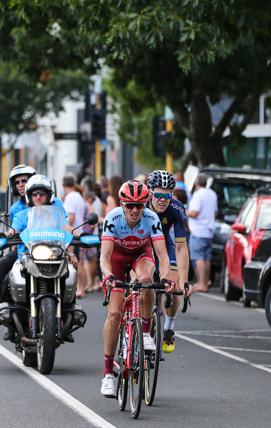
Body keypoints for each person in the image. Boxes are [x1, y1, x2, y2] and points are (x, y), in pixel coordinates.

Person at [99, 180, 175, 396]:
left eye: (139, 205)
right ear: (122, 204)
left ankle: (146, 330)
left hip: (141, 254)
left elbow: (162, 256)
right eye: (129, 205)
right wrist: (108, 276)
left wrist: (167, 278)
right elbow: (104, 256)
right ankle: (108, 373)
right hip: (116, 258)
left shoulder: (151, 218)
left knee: (146, 279)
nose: (134, 210)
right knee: (114, 313)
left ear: (145, 204)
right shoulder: (112, 218)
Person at [146, 169, 192, 354]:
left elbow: (181, 248)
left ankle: (169, 327)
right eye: (158, 195)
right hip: (143, 245)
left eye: (167, 195)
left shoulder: (177, 208)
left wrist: (184, 280)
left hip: (165, 244)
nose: (163, 199)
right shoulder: (139, 205)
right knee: (141, 284)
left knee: (173, 288)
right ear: (150, 192)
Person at [0, 164, 36, 323]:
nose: (21, 184)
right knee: (2, 265)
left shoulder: (50, 203)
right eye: (17, 182)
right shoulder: (16, 209)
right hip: (23, 250)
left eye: (24, 181)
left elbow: (63, 227)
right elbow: (14, 230)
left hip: (47, 249)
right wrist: (5, 238)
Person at [186, 173, 217, 292]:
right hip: (209, 230)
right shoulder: (212, 194)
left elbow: (194, 213)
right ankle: (206, 281)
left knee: (198, 258)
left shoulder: (198, 195)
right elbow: (215, 213)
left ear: (196, 183)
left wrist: (185, 212)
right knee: (206, 258)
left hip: (198, 231)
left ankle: (201, 283)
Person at [62, 176, 88, 297]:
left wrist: (64, 227)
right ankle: (81, 288)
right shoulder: (78, 195)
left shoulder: (70, 197)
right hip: (79, 232)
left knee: (76, 263)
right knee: (80, 263)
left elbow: (70, 217)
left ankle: (80, 289)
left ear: (63, 186)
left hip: (73, 234)